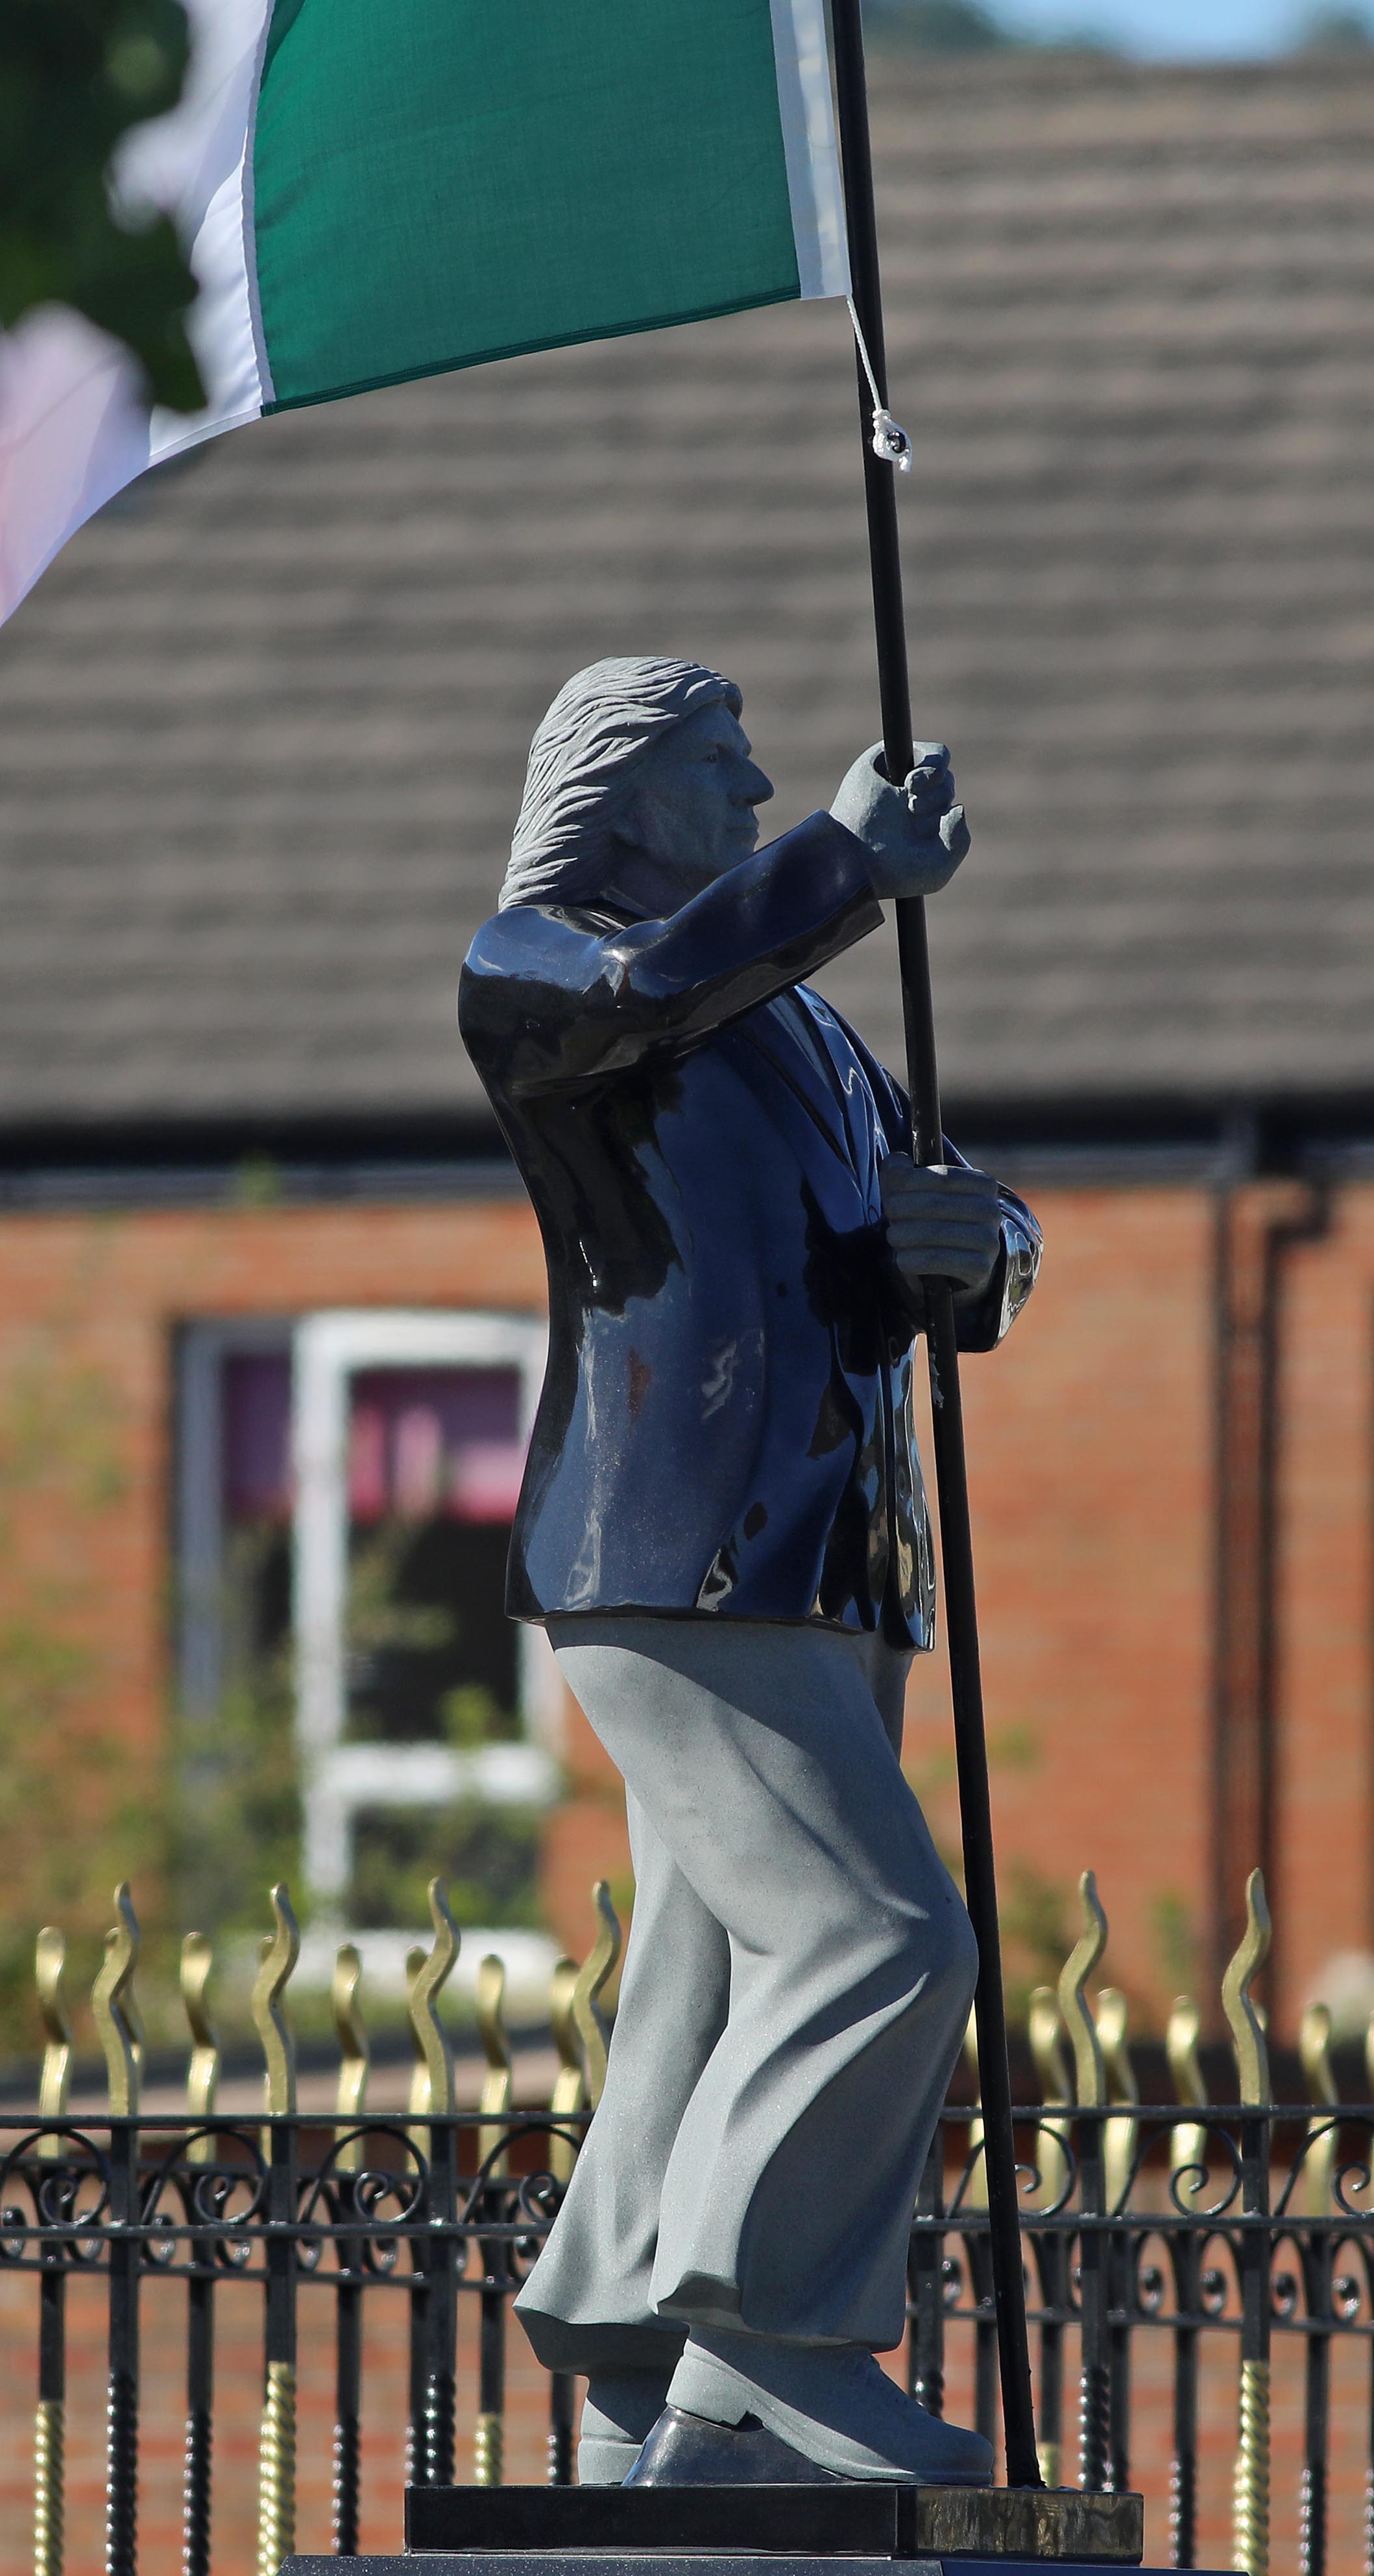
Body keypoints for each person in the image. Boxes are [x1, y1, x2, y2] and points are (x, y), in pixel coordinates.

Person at [457, 656, 1039, 2486]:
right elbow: (649, 993)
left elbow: (936, 1195)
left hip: (826, 1552)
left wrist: (977, 1247)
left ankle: (631, 2333)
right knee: (879, 1935)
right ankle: (766, 2347)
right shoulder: (536, 963)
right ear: (624, 788)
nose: (762, 778)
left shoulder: (811, 1027)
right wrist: (841, 867)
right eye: (724, 763)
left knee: (708, 1971)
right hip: (675, 1538)